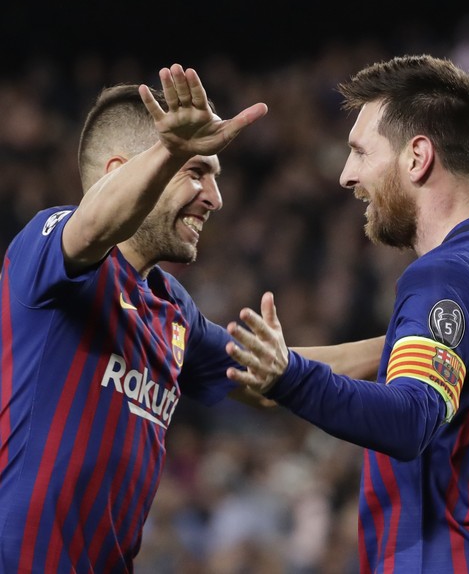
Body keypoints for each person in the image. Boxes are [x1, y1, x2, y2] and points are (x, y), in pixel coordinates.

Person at [0, 63, 383, 573]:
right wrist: (170, 151)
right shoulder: (46, 248)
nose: (216, 198)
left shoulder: (172, 308)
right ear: (121, 173)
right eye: (196, 172)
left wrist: (413, 341)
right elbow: (93, 224)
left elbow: (272, 376)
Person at [225, 54, 469, 573]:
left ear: (417, 157)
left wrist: (289, 379)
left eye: (360, 152)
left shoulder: (447, 276)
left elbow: (410, 417)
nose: (347, 175)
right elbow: (404, 358)